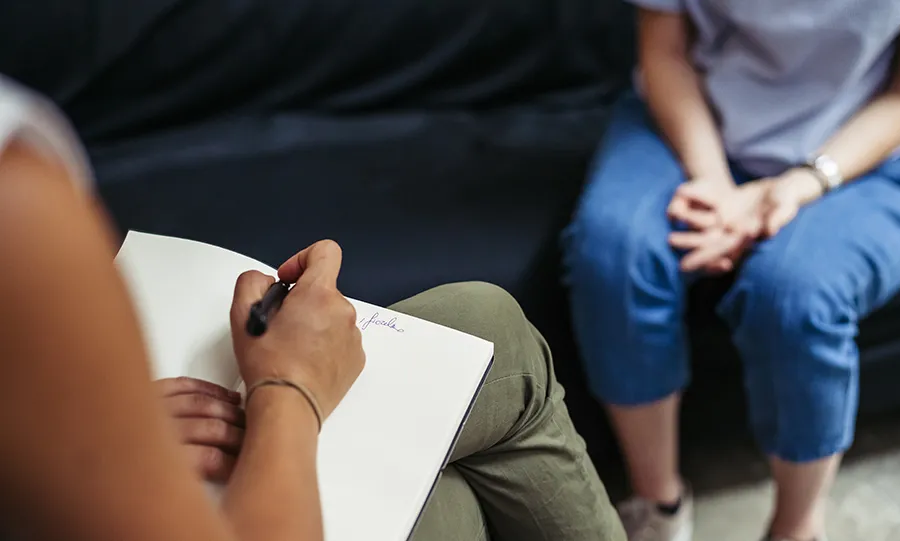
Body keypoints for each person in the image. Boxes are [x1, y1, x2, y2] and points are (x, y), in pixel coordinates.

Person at [0, 76, 626, 541]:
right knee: (450, 494)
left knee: (487, 326)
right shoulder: (18, 202)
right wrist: (287, 386)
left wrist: (89, 439)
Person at [563, 2, 900, 541]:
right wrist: (719, 190)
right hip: (691, 122)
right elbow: (665, 53)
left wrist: (800, 184)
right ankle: (658, 506)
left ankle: (796, 527)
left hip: (863, 157)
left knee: (794, 296)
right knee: (612, 256)